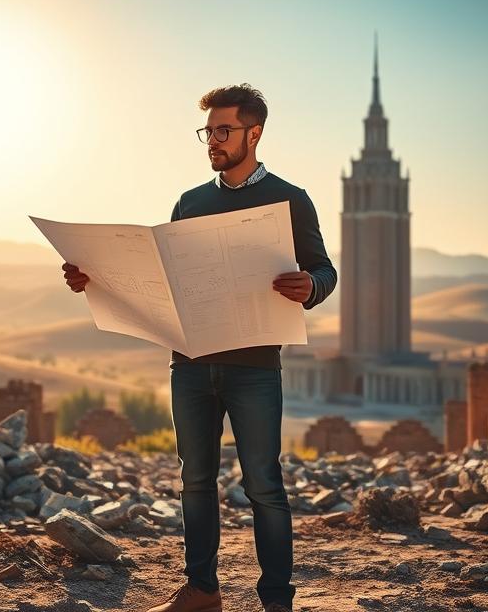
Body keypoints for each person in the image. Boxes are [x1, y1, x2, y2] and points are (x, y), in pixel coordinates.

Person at [62, 84, 336, 612]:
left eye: (223, 130)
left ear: (254, 133)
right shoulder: (190, 202)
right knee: (195, 479)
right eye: (207, 131)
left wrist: (313, 286)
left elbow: (324, 269)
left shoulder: (290, 200)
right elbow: (161, 277)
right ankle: (203, 591)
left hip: (255, 368)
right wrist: (92, 279)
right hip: (189, 365)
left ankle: (277, 601)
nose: (213, 139)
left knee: (264, 485)